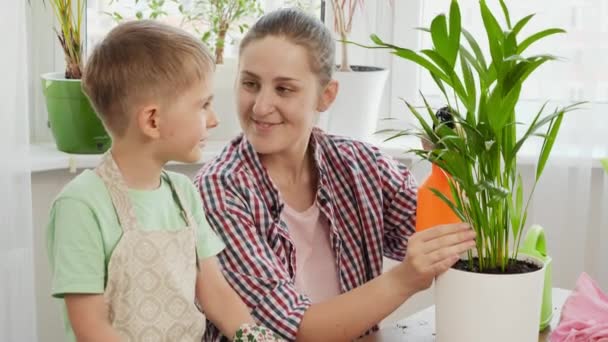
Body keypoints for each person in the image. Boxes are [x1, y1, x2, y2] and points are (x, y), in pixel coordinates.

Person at [195, 8, 477, 342]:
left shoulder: (362, 165)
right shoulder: (219, 191)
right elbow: (296, 330)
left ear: (326, 95)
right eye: (250, 84)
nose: (260, 106)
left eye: (284, 89)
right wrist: (404, 279)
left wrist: (449, 169)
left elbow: (445, 241)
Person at [46, 20, 280, 342]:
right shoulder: (81, 205)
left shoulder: (184, 194)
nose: (214, 120)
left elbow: (215, 292)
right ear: (153, 121)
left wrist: (258, 339)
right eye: (203, 105)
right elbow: (91, 327)